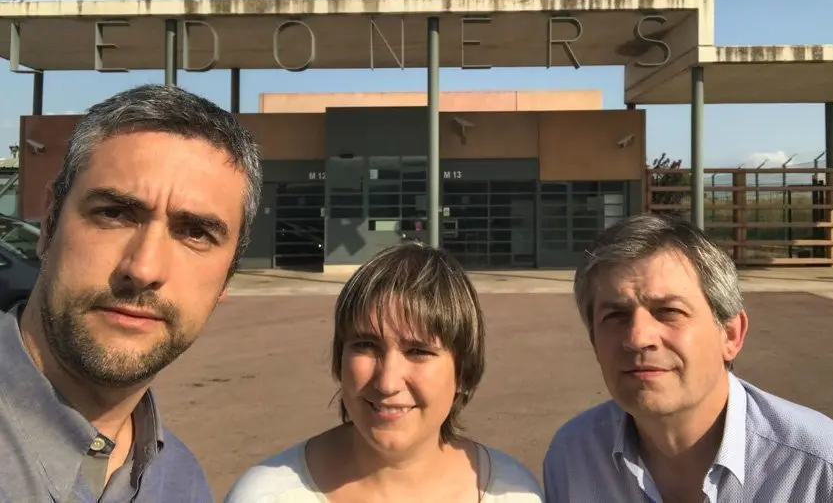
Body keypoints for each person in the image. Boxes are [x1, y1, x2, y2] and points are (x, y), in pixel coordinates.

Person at [0, 84, 262, 502]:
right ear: (50, 222)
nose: (143, 269)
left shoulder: (182, 485)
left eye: (195, 233)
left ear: (227, 278)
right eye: (115, 213)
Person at [542, 212, 833, 503]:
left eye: (669, 312)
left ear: (730, 335)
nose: (637, 338)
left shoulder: (824, 473)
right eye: (615, 316)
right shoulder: (573, 458)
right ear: (594, 342)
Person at [224, 240, 544, 503]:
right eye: (366, 345)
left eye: (418, 351)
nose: (388, 381)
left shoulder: (515, 493)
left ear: (464, 370)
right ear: (339, 357)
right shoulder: (265, 496)